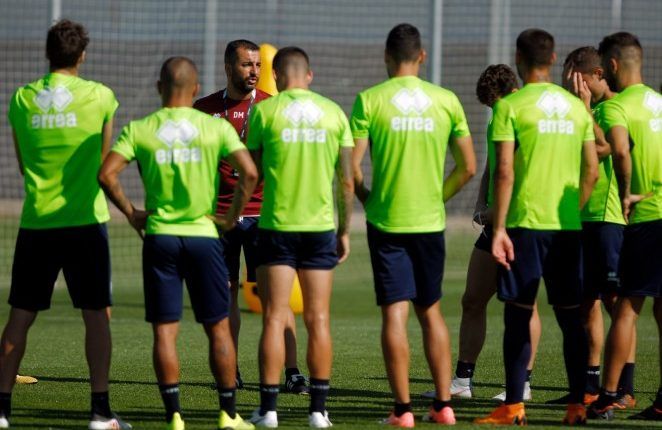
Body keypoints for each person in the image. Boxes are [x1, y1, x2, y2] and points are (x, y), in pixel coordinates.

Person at [98, 56, 257, 430]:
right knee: (218, 327)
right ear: (196, 89)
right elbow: (250, 172)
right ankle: (228, 414)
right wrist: (232, 217)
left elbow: (106, 174)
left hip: (160, 238)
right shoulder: (213, 127)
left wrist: (132, 212)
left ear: (159, 88)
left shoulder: (140, 128)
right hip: (204, 237)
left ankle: (174, 417)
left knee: (165, 331)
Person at [0, 19, 129, 430]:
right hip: (85, 223)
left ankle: (1, 411)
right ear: (83, 55)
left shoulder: (22, 99)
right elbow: (104, 163)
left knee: (20, 317)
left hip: (37, 222)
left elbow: (23, 165)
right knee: (96, 317)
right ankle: (100, 413)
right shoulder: (102, 96)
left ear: (47, 53)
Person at [352, 23, 476, 427]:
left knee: (394, 315)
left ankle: (403, 411)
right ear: (422, 56)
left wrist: (367, 198)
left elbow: (350, 170)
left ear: (387, 57)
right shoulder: (446, 100)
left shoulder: (369, 100)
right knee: (432, 312)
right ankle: (444, 406)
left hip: (386, 220)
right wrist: (436, 196)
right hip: (428, 222)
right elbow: (468, 167)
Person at [474, 28, 598, 425]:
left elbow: (505, 173)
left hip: (524, 226)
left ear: (519, 59)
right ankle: (577, 405)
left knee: (518, 313)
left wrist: (499, 229)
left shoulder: (511, 107)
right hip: (566, 228)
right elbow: (592, 170)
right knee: (569, 317)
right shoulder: (577, 107)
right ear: (553, 57)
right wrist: (571, 211)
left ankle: (513, 406)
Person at [246, 46, 353, 429]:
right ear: (309, 75)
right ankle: (319, 411)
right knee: (318, 318)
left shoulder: (263, 111)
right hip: (321, 227)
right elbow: (346, 181)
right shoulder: (334, 113)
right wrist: (344, 230)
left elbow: (251, 174)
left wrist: (232, 213)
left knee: (275, 317)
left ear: (275, 76)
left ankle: (269, 411)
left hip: (275, 226)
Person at [194, 39, 308, 394]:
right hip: (221, 218)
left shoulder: (273, 107)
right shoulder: (204, 109)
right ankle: (232, 371)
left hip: (264, 217)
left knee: (277, 298)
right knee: (226, 295)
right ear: (229, 68)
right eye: (246, 65)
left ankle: (292, 372)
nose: (253, 71)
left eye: (257, 65)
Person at [423, 64, 541, 402]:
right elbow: (494, 164)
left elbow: (520, 174)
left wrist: (495, 211)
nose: (493, 111)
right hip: (494, 224)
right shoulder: (499, 119)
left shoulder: (526, 118)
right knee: (472, 299)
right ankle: (462, 381)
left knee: (523, 305)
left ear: (506, 94)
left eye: (494, 104)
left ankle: (524, 384)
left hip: (521, 223)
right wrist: (480, 199)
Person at [546, 46, 637, 409]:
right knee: (586, 304)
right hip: (582, 218)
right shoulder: (587, 110)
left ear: (598, 74)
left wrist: (583, 110)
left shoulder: (613, 109)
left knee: (617, 305)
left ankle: (624, 389)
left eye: (576, 78)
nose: (572, 86)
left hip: (607, 219)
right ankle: (588, 383)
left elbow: (607, 150)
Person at [587, 32, 662, 422]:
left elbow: (618, 150)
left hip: (647, 218)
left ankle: (611, 394)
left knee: (627, 308)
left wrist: (629, 192)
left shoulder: (616, 108)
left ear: (613, 65)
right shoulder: (660, 102)